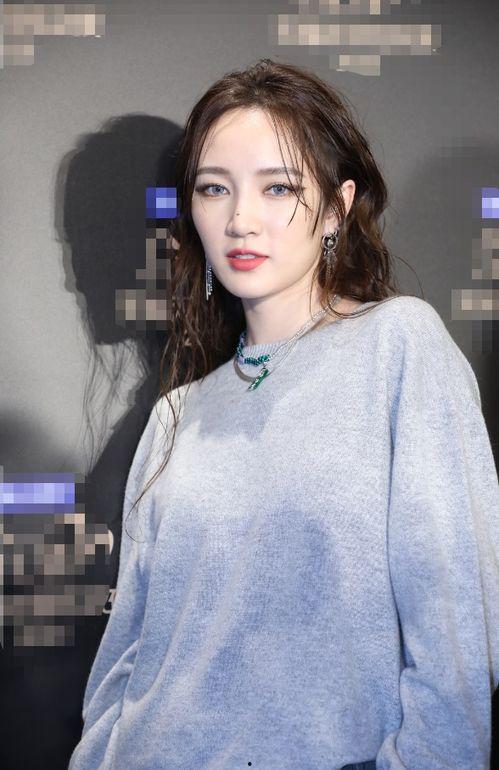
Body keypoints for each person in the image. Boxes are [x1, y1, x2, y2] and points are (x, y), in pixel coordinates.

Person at [68, 58, 499, 770]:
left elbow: (456, 645)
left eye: (278, 187)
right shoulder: (175, 415)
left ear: (336, 208)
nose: (240, 219)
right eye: (214, 188)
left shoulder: (399, 347)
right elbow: (127, 655)